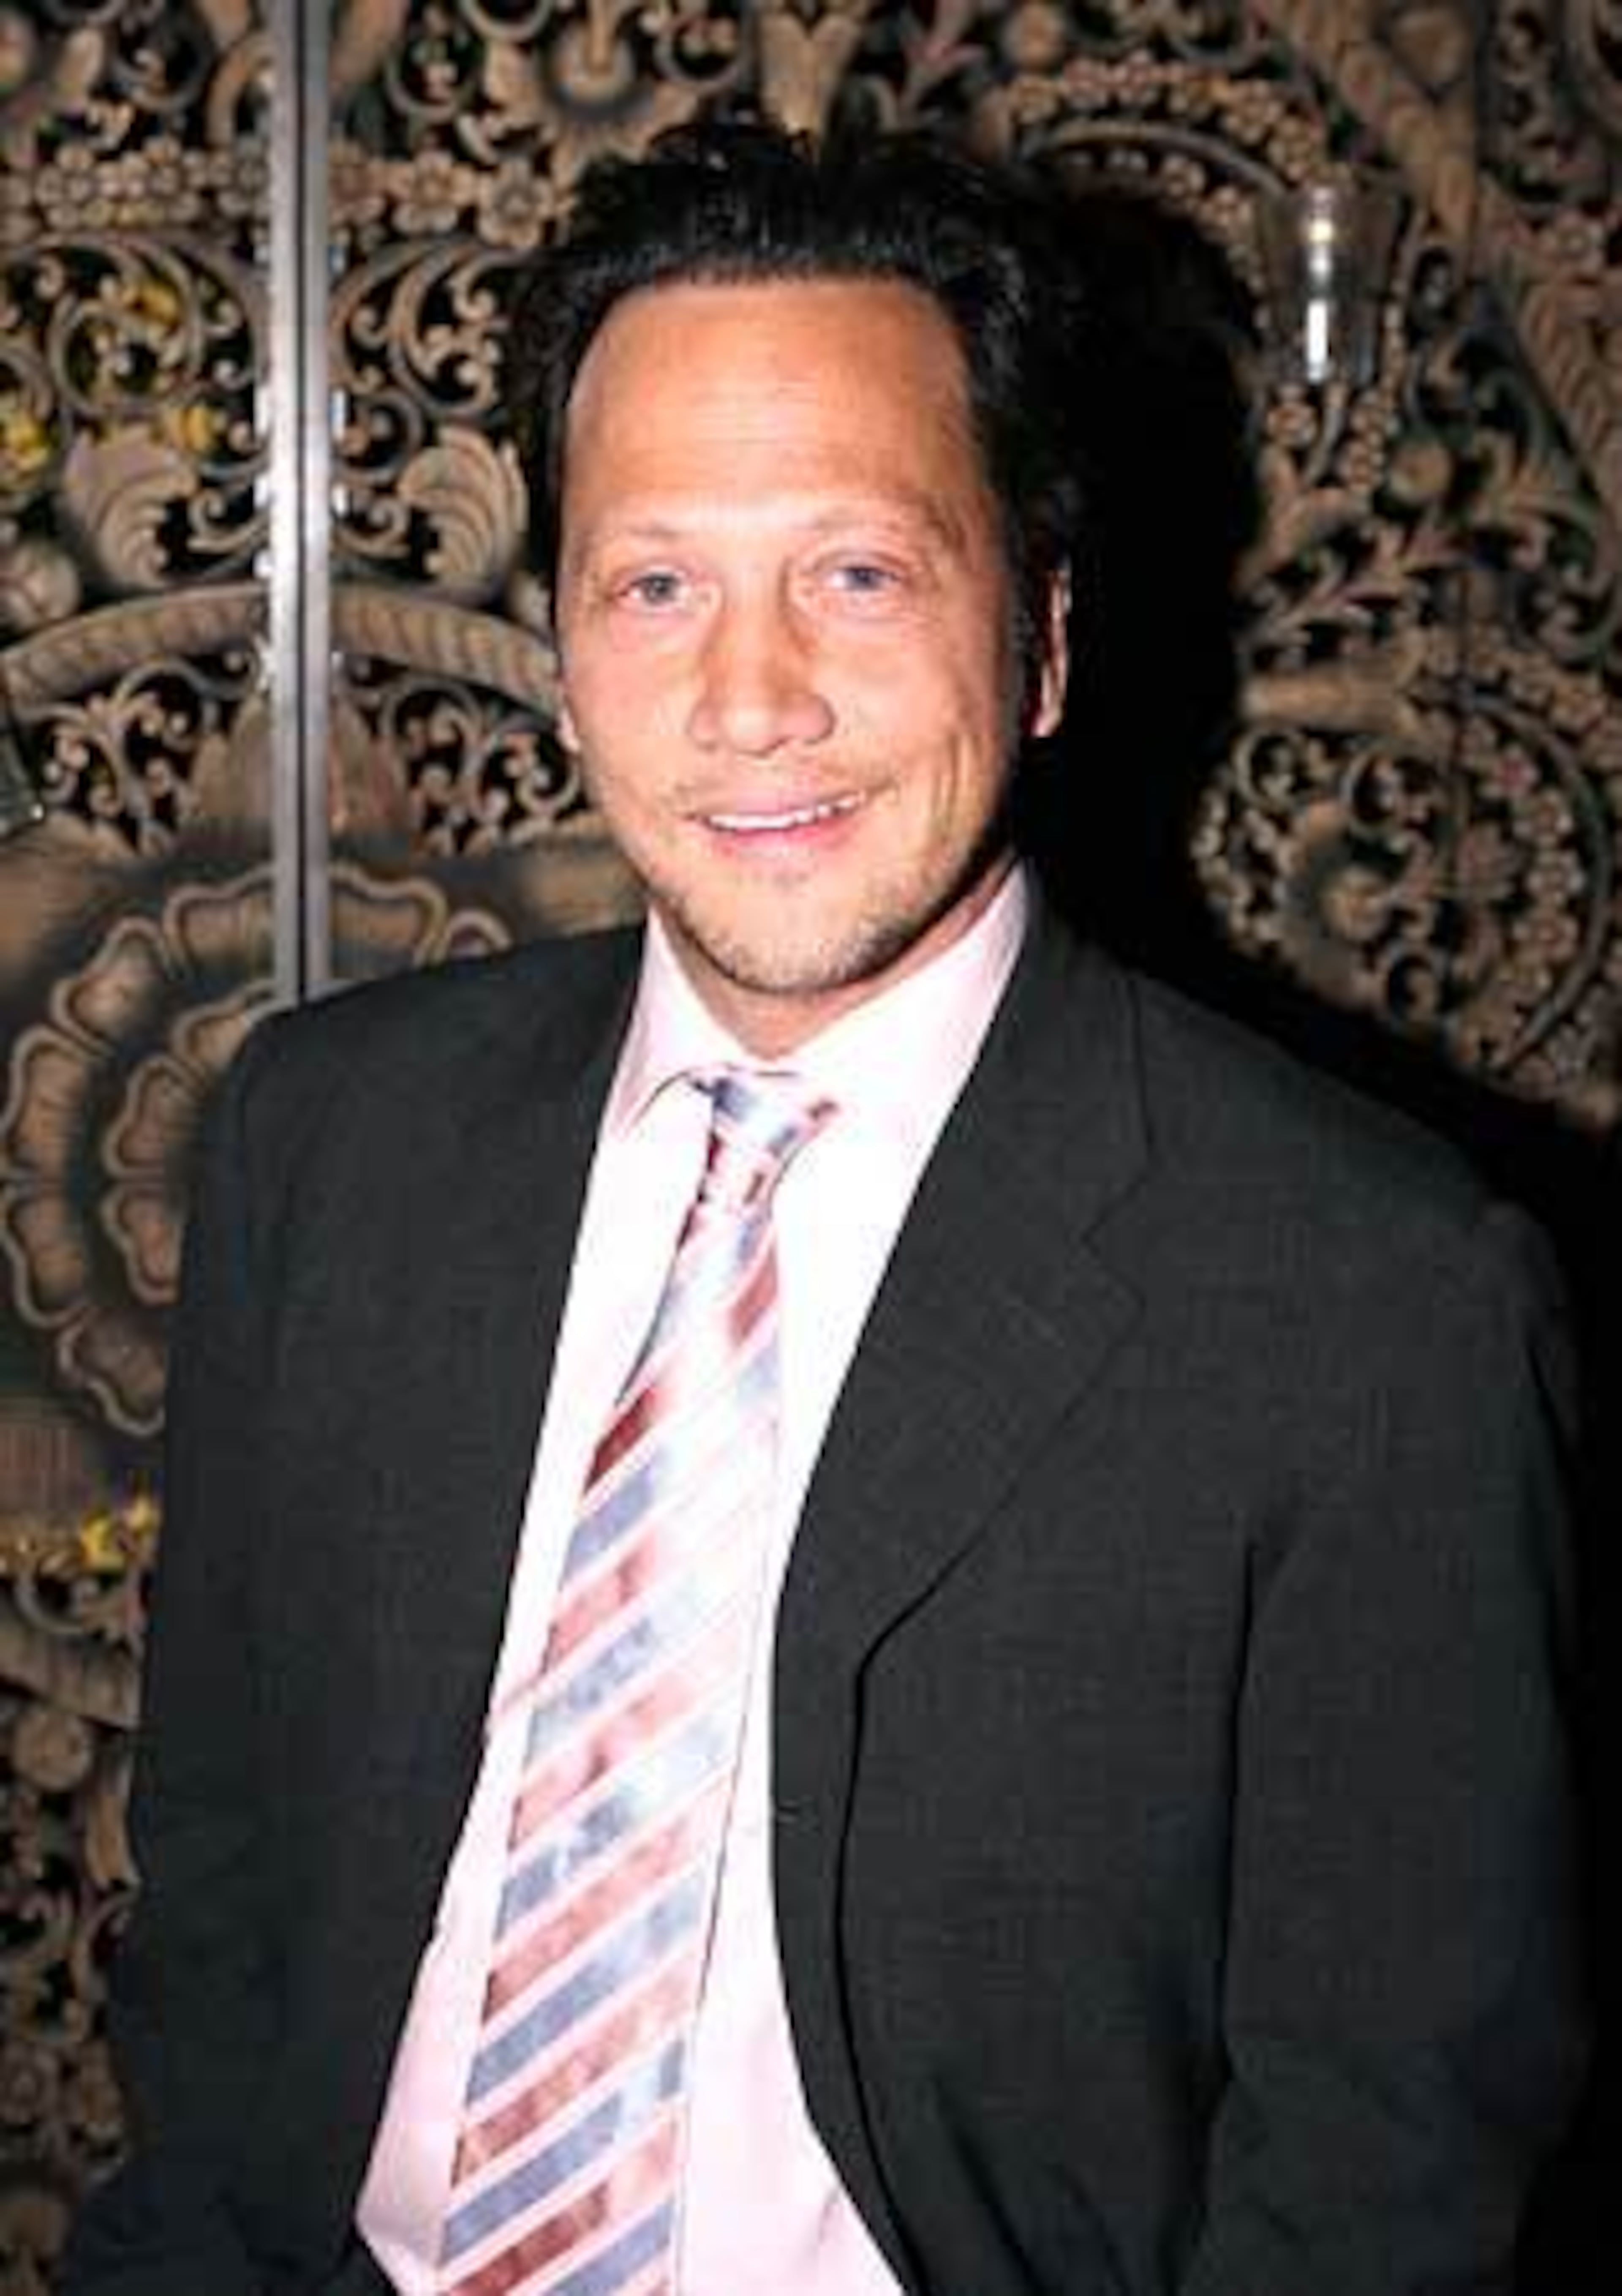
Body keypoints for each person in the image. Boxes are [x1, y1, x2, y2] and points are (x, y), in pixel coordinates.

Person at [64, 118, 1586, 2296]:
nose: (750, 699)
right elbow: (221, 1896)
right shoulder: (328, 1144)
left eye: (860, 574)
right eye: (656, 582)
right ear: (565, 636)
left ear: (1043, 640)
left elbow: (1384, 2166)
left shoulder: (1375, 1302)